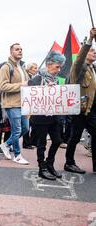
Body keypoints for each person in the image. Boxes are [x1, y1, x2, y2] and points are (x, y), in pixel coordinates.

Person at [28, 51, 66, 180]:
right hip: (40, 118)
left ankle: (50, 164)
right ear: (49, 65)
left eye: (60, 67)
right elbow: (30, 97)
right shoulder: (37, 79)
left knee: (57, 141)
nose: (59, 69)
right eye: (57, 66)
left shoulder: (57, 80)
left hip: (54, 117)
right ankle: (42, 168)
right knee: (41, 143)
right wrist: (44, 89)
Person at [64, 28, 96, 174]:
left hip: (92, 109)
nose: (94, 52)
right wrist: (89, 40)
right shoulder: (78, 67)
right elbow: (80, 57)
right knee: (75, 137)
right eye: (92, 51)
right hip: (81, 109)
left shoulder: (93, 68)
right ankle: (69, 163)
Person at [0, 43, 29, 164]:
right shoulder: (6, 67)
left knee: (25, 129)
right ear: (11, 52)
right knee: (16, 130)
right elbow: (3, 86)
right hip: (11, 104)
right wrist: (22, 85)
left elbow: (28, 83)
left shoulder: (22, 67)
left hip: (23, 104)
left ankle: (6, 144)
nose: (20, 51)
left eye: (21, 49)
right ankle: (17, 155)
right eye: (17, 49)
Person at [23, 62, 38, 149]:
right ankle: (26, 143)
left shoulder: (33, 77)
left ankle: (31, 142)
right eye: (34, 68)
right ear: (30, 69)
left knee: (32, 123)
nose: (36, 70)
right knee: (27, 124)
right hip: (27, 103)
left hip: (31, 103)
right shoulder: (27, 77)